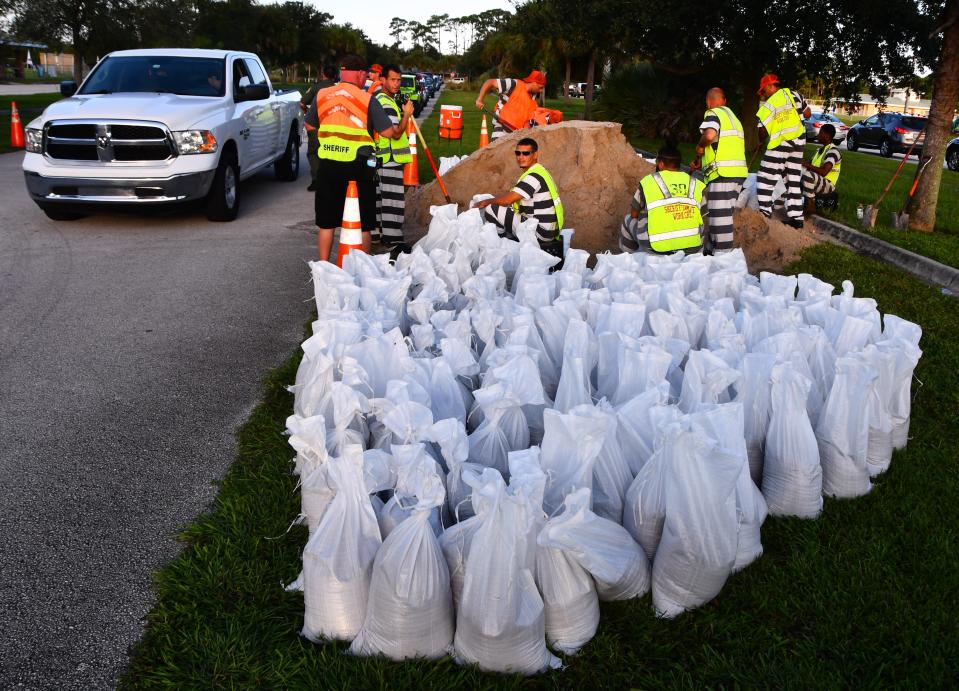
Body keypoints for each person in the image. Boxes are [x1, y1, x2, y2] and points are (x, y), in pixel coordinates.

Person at [305, 54, 413, 262]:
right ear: (361, 74)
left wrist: (328, 138)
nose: (367, 80)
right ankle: (362, 268)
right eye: (367, 75)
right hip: (358, 168)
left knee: (327, 223)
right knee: (364, 222)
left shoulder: (323, 95)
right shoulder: (367, 99)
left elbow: (310, 125)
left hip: (328, 165)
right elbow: (390, 133)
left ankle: (324, 267)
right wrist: (406, 115)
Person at [473, 137, 565, 257]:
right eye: (518, 153)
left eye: (526, 153)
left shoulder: (533, 177)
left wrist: (487, 202)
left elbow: (507, 200)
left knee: (491, 209)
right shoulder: (540, 171)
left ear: (535, 155)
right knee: (503, 211)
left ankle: (499, 246)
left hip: (540, 232)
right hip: (547, 230)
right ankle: (505, 239)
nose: (520, 157)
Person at [620, 141, 708, 255]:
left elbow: (634, 215)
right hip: (692, 247)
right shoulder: (696, 183)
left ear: (661, 164)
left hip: (656, 246)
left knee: (627, 220)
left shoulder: (649, 182)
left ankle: (628, 259)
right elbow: (701, 216)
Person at [690, 87, 747, 253]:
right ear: (725, 101)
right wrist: (703, 162)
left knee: (719, 222)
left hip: (723, 174)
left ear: (708, 102)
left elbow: (708, 136)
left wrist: (700, 146)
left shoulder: (713, 113)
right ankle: (711, 251)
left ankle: (723, 258)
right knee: (719, 215)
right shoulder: (733, 119)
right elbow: (721, 146)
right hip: (737, 173)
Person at [754, 73, 811, 228]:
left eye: (763, 91)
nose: (763, 95)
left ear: (771, 86)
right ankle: (797, 218)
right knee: (792, 179)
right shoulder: (795, 94)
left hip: (781, 143)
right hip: (799, 141)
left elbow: (762, 130)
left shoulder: (770, 103)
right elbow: (808, 113)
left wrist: (760, 142)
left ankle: (764, 216)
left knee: (765, 178)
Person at [374, 64, 414, 247]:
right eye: (393, 79)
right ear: (382, 80)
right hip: (390, 159)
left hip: (384, 159)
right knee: (392, 201)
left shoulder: (382, 99)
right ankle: (393, 239)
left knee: (380, 199)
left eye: (399, 80)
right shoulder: (385, 102)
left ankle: (377, 235)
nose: (397, 83)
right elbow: (396, 133)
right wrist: (406, 114)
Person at [474, 71, 547, 140]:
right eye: (540, 87)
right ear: (534, 82)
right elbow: (490, 82)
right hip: (501, 129)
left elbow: (528, 120)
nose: (541, 91)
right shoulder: (514, 84)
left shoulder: (533, 101)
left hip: (517, 135)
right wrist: (480, 99)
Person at [301, 65, 338, 191]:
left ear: (323, 75)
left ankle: (316, 180)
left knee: (314, 152)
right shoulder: (338, 88)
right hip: (334, 125)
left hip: (316, 125)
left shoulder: (316, 88)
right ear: (335, 76)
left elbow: (302, 102)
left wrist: (307, 111)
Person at [801, 123, 842, 214]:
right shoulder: (820, 150)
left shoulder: (833, 151)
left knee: (808, 175)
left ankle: (810, 204)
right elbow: (810, 165)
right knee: (793, 171)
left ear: (827, 136)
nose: (818, 135)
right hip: (817, 181)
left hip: (828, 185)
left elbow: (824, 172)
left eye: (820, 133)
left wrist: (807, 165)